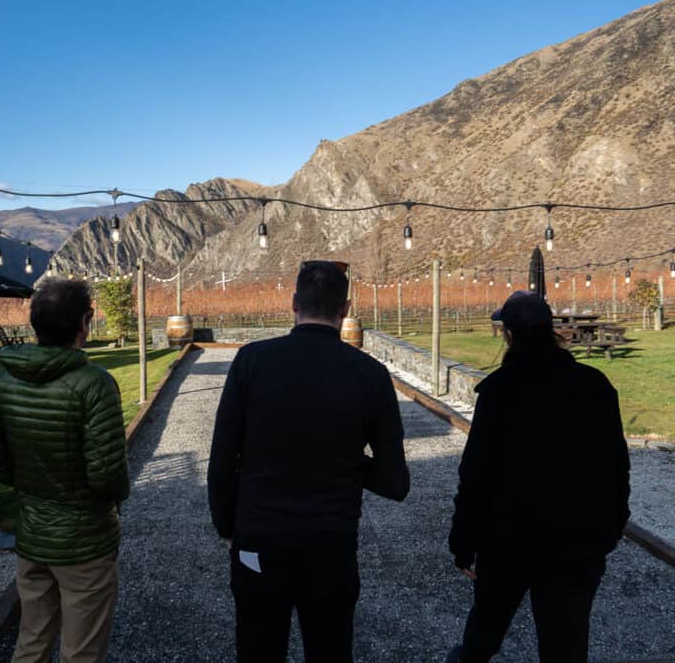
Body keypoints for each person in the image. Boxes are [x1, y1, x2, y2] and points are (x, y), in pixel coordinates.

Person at [208, 260, 411, 662]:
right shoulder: (370, 374)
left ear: (293, 304)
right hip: (330, 549)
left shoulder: (252, 362)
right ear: (347, 308)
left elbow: (221, 458)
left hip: (258, 545)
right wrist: (345, 458)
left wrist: (227, 528)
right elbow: (395, 482)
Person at [449, 290, 630, 662]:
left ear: (509, 335)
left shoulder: (499, 392)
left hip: (507, 542)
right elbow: (616, 465)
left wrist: (463, 543)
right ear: (551, 330)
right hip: (577, 542)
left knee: (484, 632)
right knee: (566, 643)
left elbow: (476, 476)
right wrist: (612, 527)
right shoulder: (595, 386)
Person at [0, 278, 129, 663]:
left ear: (36, 325)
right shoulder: (95, 385)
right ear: (85, 322)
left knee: (31, 641)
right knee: (82, 651)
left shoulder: (4, 380)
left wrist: (30, 482)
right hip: (85, 542)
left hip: (33, 535)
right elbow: (107, 476)